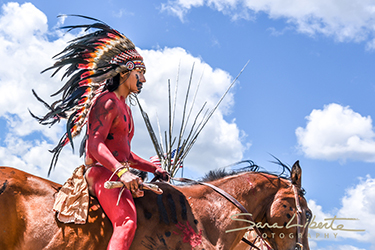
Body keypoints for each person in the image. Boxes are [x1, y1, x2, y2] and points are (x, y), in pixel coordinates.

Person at [31, 16, 169, 250]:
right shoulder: (107, 102)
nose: (144, 79)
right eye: (141, 72)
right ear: (126, 70)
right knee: (126, 222)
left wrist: (153, 168)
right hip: (100, 173)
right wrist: (122, 173)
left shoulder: (125, 108)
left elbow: (125, 154)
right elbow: (95, 146)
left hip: (114, 170)